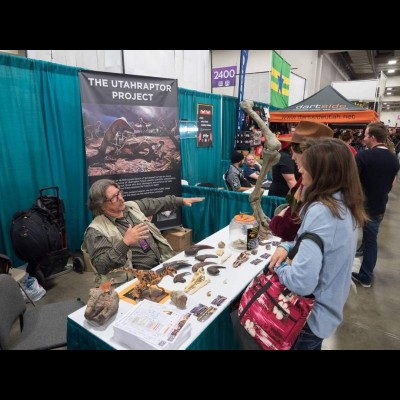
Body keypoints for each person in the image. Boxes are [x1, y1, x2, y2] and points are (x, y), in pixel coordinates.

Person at [269, 138, 368, 350]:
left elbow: (302, 282)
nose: (301, 170)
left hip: (306, 319)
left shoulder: (322, 211)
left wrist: (280, 268)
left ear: (322, 172)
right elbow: (314, 241)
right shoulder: (344, 203)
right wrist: (287, 247)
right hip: (325, 313)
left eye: (307, 165)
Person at [82, 179, 204, 287]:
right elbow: (101, 266)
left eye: (119, 192)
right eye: (114, 197)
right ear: (101, 206)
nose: (120, 198)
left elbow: (157, 203)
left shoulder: (131, 207)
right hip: (136, 282)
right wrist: (125, 243)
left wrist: (181, 200)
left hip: (160, 265)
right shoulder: (95, 231)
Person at [352, 122, 399, 288]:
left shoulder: (363, 156)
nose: (363, 138)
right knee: (371, 239)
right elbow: (392, 183)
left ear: (372, 137)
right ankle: (363, 261)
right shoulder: (394, 159)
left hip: (362, 206)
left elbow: (352, 182)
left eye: (365, 135)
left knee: (365, 239)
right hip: (379, 206)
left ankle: (365, 276)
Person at [268, 121, 334, 241]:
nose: (292, 157)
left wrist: (276, 221)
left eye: (294, 151)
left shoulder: (311, 184)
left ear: (306, 152)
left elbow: (288, 228)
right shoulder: (331, 178)